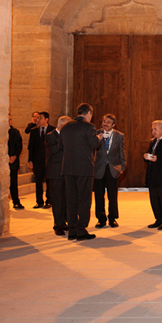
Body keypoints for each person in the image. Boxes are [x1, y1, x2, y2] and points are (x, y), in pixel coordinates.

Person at [59, 103, 102, 241]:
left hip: (68, 168)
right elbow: (95, 144)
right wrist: (99, 138)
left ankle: (72, 230)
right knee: (84, 199)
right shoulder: (89, 127)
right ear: (88, 113)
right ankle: (81, 230)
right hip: (84, 168)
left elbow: (61, 145)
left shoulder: (66, 127)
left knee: (71, 199)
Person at [94, 114, 126, 228]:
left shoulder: (119, 136)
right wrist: (98, 139)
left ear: (113, 125)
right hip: (99, 168)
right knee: (99, 195)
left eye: (108, 122)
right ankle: (101, 218)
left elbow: (122, 152)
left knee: (112, 195)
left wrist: (122, 168)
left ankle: (112, 218)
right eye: (104, 121)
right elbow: (92, 149)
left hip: (113, 168)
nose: (105, 124)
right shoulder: (96, 134)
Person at [46, 116, 71, 235]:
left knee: (66, 198)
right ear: (61, 126)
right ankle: (58, 224)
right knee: (57, 199)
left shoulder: (67, 136)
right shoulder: (50, 136)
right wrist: (65, 139)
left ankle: (65, 221)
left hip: (67, 171)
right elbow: (54, 149)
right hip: (56, 173)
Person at [144, 120, 162, 230]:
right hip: (153, 175)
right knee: (154, 199)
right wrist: (146, 156)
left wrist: (158, 159)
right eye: (152, 129)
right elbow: (150, 153)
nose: (153, 132)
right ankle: (158, 219)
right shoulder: (153, 141)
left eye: (155, 129)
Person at [29, 111, 55, 209]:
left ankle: (49, 200)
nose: (38, 120)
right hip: (37, 160)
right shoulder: (34, 131)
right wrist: (30, 160)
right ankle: (39, 201)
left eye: (40, 118)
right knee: (38, 181)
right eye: (38, 118)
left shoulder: (52, 130)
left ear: (46, 119)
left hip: (49, 160)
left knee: (49, 181)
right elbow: (31, 146)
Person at [8, 115, 24, 210]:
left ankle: (16, 202)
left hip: (13, 161)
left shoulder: (15, 132)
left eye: (10, 119)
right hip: (3, 161)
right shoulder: (0, 132)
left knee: (13, 183)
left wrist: (14, 156)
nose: (9, 121)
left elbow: (19, 146)